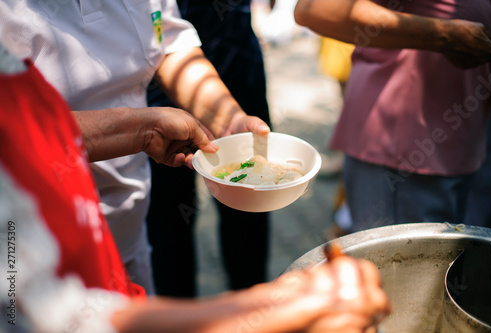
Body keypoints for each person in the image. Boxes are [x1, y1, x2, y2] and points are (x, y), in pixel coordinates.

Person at [0, 45, 390, 333]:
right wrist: (278, 310)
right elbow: (44, 317)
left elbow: (167, 41)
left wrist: (146, 127)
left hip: (118, 241)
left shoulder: (14, 71)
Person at [0, 0, 270, 294]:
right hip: (35, 250)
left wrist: (228, 121)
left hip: (130, 227)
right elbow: (12, 130)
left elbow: (166, 42)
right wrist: (140, 129)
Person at [294, 0, 491, 231]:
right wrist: (444, 34)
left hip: (462, 139)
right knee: (398, 263)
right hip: (403, 148)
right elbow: (316, 9)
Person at [146, 0, 272, 297]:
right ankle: (178, 313)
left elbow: (169, 38)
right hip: (154, 93)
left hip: (234, 63)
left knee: (249, 198)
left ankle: (252, 307)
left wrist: (229, 117)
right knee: (168, 215)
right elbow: (158, 34)